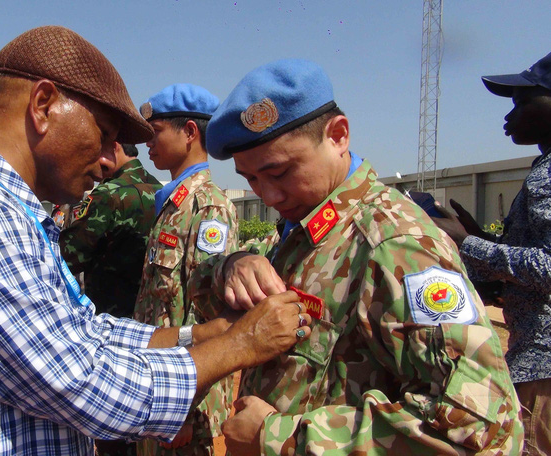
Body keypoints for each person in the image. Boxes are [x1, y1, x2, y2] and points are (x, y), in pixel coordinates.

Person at [0, 26, 316, 456]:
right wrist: (239, 345)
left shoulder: (4, 211)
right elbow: (80, 381)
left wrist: (202, 334)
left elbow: (86, 332)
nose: (108, 161)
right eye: (103, 136)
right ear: (42, 104)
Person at [187, 59, 524, 455]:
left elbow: (482, 428)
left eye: (279, 173)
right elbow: (209, 292)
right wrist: (233, 265)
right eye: (252, 180)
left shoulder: (396, 244)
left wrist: (278, 437)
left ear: (338, 135)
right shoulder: (307, 227)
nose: (269, 196)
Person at [432, 52, 551, 456]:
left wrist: (466, 244)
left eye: (521, 101)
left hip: (543, 368)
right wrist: (481, 239)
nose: (510, 114)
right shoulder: (543, 168)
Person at [133, 84, 239, 456]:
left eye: (156, 132)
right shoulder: (173, 204)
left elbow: (209, 314)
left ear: (190, 131)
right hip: (158, 391)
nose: (148, 144)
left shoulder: (208, 206)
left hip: (184, 408)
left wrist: (184, 406)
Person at [60, 142, 162, 319]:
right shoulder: (161, 189)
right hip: (150, 311)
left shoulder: (107, 193)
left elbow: (70, 256)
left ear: (114, 147)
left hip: (108, 313)